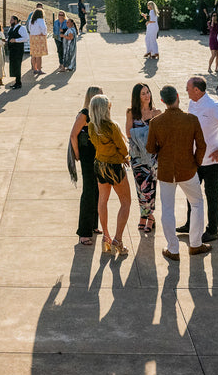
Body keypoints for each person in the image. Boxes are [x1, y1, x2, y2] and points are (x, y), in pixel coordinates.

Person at [145, 86, 210, 261]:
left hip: (166, 171)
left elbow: (150, 148)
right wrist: (196, 162)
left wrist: (162, 150)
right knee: (197, 204)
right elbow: (202, 145)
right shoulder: (191, 119)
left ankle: (173, 249)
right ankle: (195, 244)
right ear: (178, 97)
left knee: (167, 208)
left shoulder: (156, 122)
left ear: (162, 101)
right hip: (188, 169)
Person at [179, 76, 218, 243]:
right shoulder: (192, 102)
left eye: (188, 88)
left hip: (213, 161)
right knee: (191, 192)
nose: (186, 91)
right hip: (195, 159)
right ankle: (190, 224)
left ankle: (212, 230)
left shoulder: (214, 107)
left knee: (211, 194)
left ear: (197, 91)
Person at [85, 94, 131, 257]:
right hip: (114, 166)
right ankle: (118, 240)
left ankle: (106, 237)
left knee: (102, 201)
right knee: (125, 202)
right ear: (105, 109)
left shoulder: (91, 126)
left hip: (99, 164)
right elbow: (122, 147)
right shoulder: (111, 126)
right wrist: (125, 157)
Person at [68, 86, 104, 246]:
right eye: (99, 95)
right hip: (87, 156)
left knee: (97, 190)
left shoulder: (100, 113)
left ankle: (93, 225)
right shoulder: (85, 114)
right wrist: (77, 154)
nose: (102, 97)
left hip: (98, 156)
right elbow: (73, 134)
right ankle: (83, 232)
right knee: (89, 191)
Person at [125, 83, 161, 234]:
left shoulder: (157, 113)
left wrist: (141, 133)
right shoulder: (131, 113)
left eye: (148, 92)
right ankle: (143, 214)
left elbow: (161, 134)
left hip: (152, 156)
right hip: (137, 156)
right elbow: (128, 133)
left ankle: (150, 216)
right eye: (143, 94)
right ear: (137, 97)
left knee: (151, 186)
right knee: (140, 187)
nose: (147, 96)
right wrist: (146, 133)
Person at [6, 15, 27, 89]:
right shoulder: (11, 28)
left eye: (11, 20)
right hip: (12, 50)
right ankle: (16, 81)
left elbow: (25, 38)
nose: (10, 21)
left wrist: (16, 40)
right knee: (13, 65)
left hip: (18, 50)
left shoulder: (21, 28)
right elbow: (9, 37)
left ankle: (18, 83)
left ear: (15, 20)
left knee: (17, 65)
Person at [28, 9, 48, 73]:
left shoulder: (31, 20)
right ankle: (39, 69)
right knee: (39, 55)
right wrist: (43, 33)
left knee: (33, 55)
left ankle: (35, 69)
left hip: (32, 37)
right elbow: (44, 28)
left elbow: (29, 29)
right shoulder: (40, 20)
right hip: (39, 37)